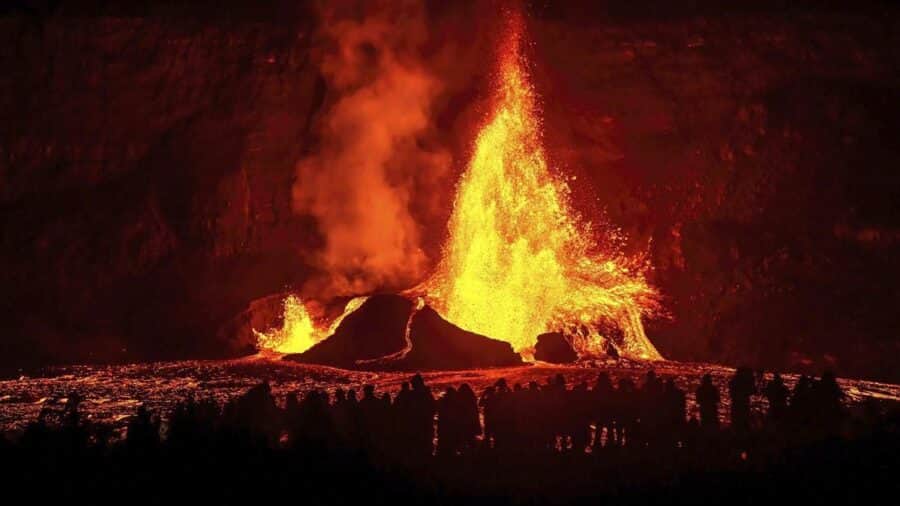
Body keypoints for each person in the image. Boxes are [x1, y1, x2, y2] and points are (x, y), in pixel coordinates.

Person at [728, 367, 757, 432]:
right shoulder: (744, 381)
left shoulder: (734, 381)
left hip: (737, 405)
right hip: (743, 405)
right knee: (743, 422)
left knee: (736, 423)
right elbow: (753, 391)